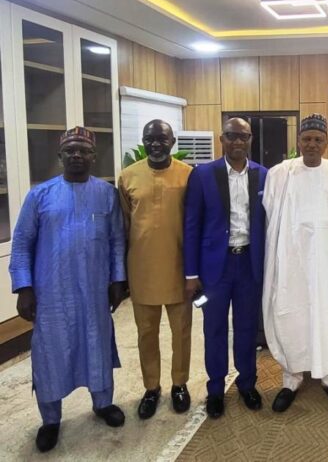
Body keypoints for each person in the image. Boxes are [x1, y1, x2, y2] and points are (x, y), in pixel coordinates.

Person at [10, 127, 127, 453]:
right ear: (61, 156)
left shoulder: (106, 194)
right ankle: (50, 419)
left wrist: (118, 280)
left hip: (94, 291)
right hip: (52, 293)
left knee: (97, 343)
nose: (77, 155)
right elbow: (21, 244)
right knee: (51, 351)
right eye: (71, 151)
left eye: (83, 151)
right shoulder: (40, 195)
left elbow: (117, 240)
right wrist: (24, 288)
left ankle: (102, 403)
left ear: (93, 155)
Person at [263, 114, 328, 413]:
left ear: (326, 143)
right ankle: (291, 378)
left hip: (327, 261)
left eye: (318, 139)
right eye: (306, 138)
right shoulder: (280, 173)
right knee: (291, 314)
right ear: (298, 141)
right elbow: (270, 214)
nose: (311, 144)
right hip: (290, 258)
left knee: (326, 314)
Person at [184, 117, 267, 418]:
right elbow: (191, 225)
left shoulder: (264, 175)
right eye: (231, 136)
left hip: (249, 264)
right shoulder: (203, 174)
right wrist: (191, 274)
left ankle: (247, 384)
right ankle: (215, 389)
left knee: (246, 327)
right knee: (215, 328)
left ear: (250, 140)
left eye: (242, 137)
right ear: (222, 139)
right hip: (214, 268)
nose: (237, 142)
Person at [118, 120, 193, 419]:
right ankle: (151, 387)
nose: (156, 144)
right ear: (144, 141)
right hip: (142, 270)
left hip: (179, 270)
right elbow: (123, 228)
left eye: (162, 138)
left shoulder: (189, 175)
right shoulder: (127, 176)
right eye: (150, 139)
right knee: (146, 333)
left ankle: (179, 384)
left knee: (182, 332)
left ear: (173, 141)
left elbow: (195, 224)